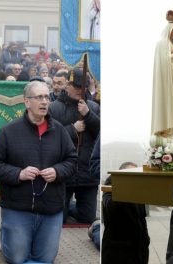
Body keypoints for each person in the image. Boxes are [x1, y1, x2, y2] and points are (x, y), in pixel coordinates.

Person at [0, 81, 78, 264]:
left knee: (46, 258)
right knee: (17, 258)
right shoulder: (8, 131)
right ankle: (8, 233)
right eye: (39, 97)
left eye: (47, 97)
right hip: (18, 206)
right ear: (27, 102)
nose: (44, 102)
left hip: (51, 207)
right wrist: (18, 174)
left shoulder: (59, 131)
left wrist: (58, 171)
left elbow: (72, 161)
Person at [49, 68, 100, 224]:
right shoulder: (54, 108)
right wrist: (72, 129)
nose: (80, 90)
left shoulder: (93, 107)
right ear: (68, 85)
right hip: (64, 172)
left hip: (86, 173)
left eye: (83, 87)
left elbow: (99, 132)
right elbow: (51, 137)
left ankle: (72, 207)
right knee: (60, 218)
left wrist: (88, 114)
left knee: (87, 218)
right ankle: (66, 207)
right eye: (76, 86)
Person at [102, 161, 150, 264]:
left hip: (139, 251)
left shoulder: (138, 190)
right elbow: (111, 207)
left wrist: (146, 240)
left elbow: (142, 219)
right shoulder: (111, 185)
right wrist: (125, 187)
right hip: (118, 253)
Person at [151, 10, 173, 138]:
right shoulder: (162, 43)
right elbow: (163, 62)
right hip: (166, 81)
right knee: (167, 103)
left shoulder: (171, 44)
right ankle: (165, 130)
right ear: (169, 29)